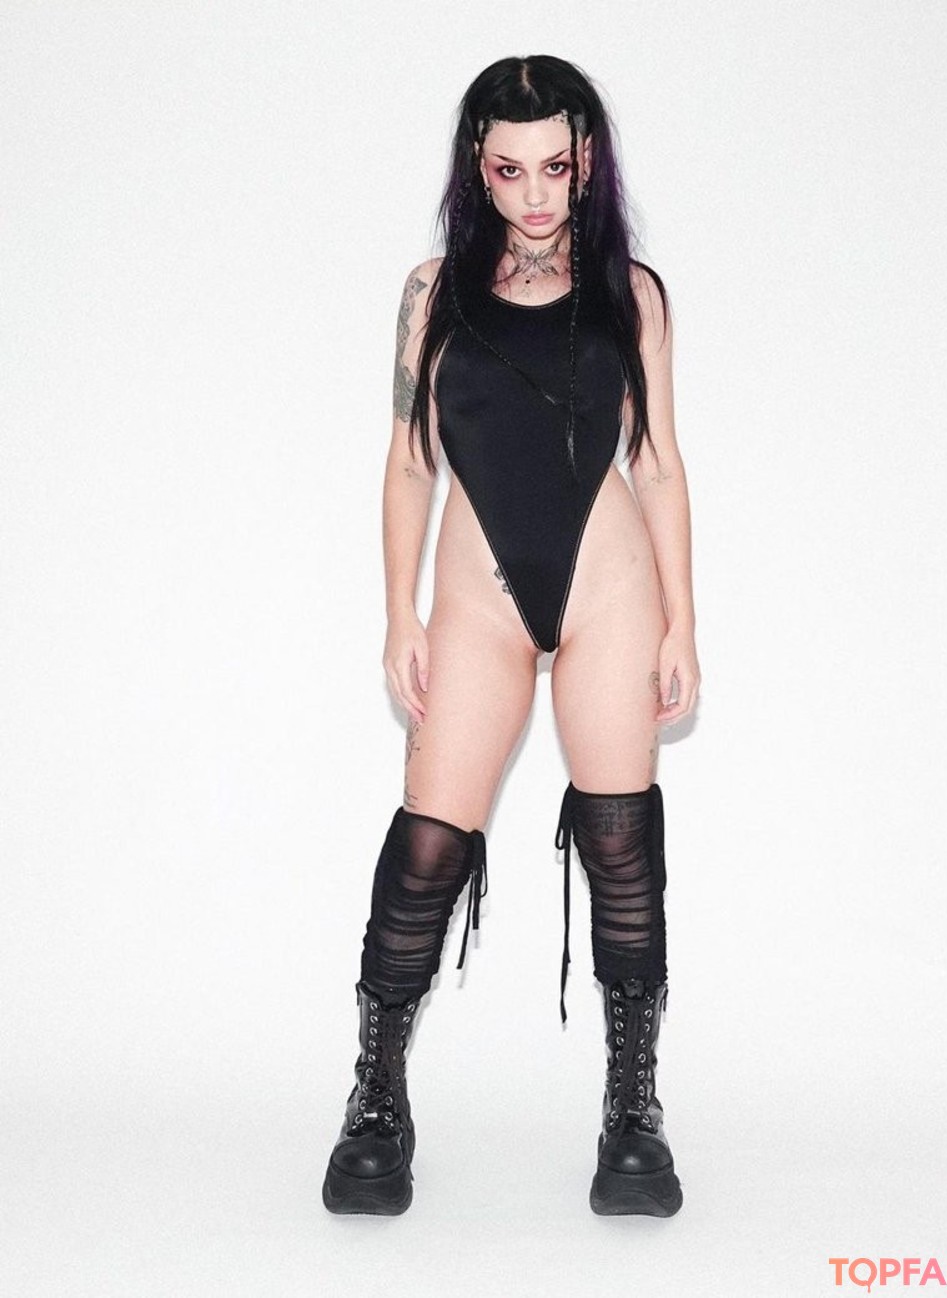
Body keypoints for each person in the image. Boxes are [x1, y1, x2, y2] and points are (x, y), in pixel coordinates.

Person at [321, 53, 701, 1219]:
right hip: (479, 598)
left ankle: (632, 1108)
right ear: (477, 169)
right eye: (509, 170)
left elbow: (659, 461)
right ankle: (376, 1095)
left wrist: (684, 620)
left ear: (586, 163)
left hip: (608, 589)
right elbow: (407, 464)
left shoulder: (634, 294)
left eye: (555, 167)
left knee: (621, 840)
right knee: (428, 843)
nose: (535, 194)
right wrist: (399, 611)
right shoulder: (432, 293)